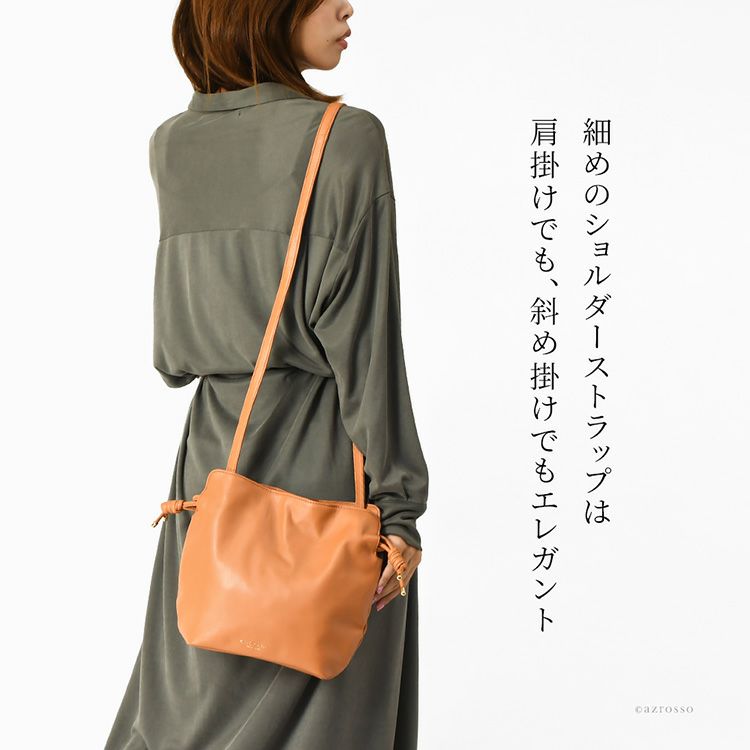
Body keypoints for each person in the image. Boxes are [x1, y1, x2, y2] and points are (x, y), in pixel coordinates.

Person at [104, 0, 429, 747]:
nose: (346, 6)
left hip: (210, 469)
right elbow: (366, 347)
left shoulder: (173, 144)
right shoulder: (345, 138)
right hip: (327, 464)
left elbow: (174, 348)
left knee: (183, 719)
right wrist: (399, 506)